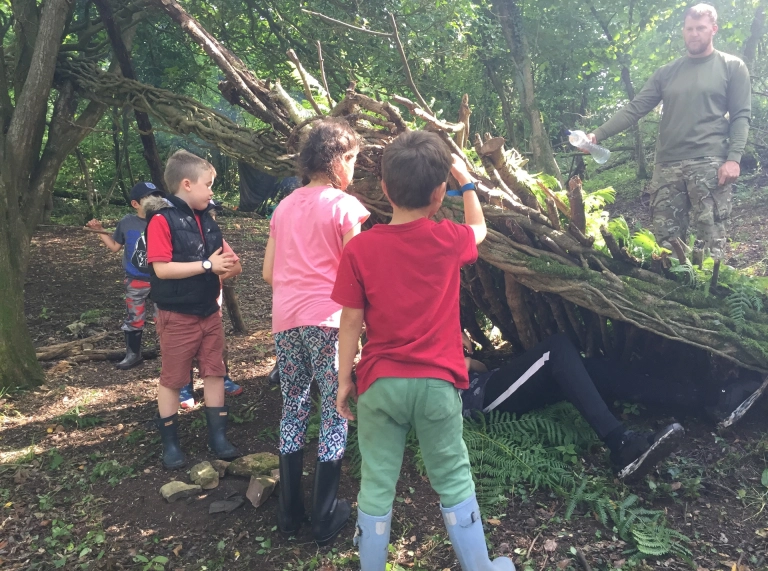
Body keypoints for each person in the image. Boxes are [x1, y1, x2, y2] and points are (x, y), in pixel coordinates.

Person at [334, 131, 514, 571]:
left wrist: (343, 380)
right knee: (453, 477)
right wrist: (467, 182)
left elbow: (351, 322)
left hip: (379, 383)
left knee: (376, 484)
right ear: (439, 196)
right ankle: (481, 567)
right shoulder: (448, 239)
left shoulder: (360, 249)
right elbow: (480, 230)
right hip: (436, 385)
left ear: (385, 188)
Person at [262, 118, 370, 544]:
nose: (355, 169)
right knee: (336, 407)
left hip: (286, 320)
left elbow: (270, 272)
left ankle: (289, 513)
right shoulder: (345, 207)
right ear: (339, 161)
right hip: (331, 322)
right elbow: (356, 276)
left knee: (293, 404)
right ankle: (324, 515)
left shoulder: (283, 207)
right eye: (354, 160)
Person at [586, 3, 751, 260]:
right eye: (689, 28)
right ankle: (671, 296)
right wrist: (597, 135)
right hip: (667, 168)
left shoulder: (731, 66)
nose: (694, 34)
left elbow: (741, 115)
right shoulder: (667, 73)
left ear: (713, 29)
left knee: (711, 243)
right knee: (666, 245)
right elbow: (635, 109)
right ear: (683, 31)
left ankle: (709, 295)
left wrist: (734, 159)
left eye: (700, 28)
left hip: (709, 164)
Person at [460, 333, 684, 481]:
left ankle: (703, 398)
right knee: (555, 349)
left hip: (488, 383)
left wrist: (468, 359)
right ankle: (621, 443)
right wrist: (462, 362)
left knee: (590, 369)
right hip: (479, 401)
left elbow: (481, 367)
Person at [144, 150, 242, 470]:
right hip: (177, 316)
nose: (212, 191)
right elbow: (161, 269)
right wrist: (206, 265)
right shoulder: (161, 220)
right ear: (187, 184)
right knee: (173, 379)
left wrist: (228, 266)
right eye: (208, 184)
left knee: (214, 371)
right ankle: (171, 444)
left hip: (209, 313)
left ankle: (219, 438)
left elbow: (227, 260)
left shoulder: (208, 221)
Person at [86, 182, 164, 370]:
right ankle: (133, 354)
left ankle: (169, 354)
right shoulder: (127, 222)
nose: (154, 200)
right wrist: (99, 231)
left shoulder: (162, 219)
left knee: (164, 317)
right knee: (134, 317)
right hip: (135, 279)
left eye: (156, 195)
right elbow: (114, 246)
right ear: (135, 204)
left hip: (161, 279)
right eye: (148, 197)